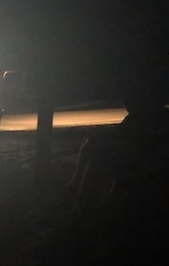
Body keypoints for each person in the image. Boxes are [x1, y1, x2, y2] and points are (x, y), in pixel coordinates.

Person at [66, 76, 169, 210]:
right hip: (143, 161)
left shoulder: (154, 120)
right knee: (94, 143)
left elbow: (146, 148)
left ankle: (84, 206)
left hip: (152, 170)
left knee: (103, 155)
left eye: (128, 98)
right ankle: (75, 187)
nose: (125, 102)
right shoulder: (140, 118)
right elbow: (117, 135)